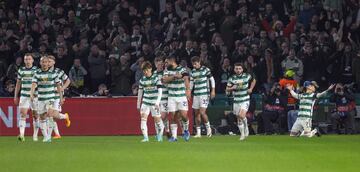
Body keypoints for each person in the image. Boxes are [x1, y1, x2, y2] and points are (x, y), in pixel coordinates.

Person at [30, 56, 71, 143]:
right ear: (41, 63)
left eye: (48, 62)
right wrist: (31, 94)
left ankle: (50, 135)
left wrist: (61, 95)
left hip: (52, 97)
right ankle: (63, 118)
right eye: (44, 62)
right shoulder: (37, 73)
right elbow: (33, 84)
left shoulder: (57, 72)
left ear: (52, 63)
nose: (46, 63)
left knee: (50, 115)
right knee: (44, 117)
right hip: (41, 98)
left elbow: (64, 83)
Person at [163, 56, 191, 142]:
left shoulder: (182, 69)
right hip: (171, 96)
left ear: (172, 61)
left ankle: (186, 130)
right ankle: (174, 137)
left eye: (167, 62)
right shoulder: (167, 70)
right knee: (172, 117)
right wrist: (175, 76)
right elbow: (164, 80)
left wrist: (188, 90)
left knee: (184, 116)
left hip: (181, 96)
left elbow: (186, 78)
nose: (166, 64)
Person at [226, 63, 256, 141]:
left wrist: (251, 89)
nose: (238, 70)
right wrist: (232, 88)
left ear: (242, 69)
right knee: (239, 118)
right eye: (236, 68)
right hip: (236, 101)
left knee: (241, 115)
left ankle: (245, 128)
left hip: (245, 99)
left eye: (239, 68)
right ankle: (242, 133)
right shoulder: (231, 78)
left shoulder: (247, 76)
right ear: (234, 69)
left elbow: (254, 80)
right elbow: (227, 89)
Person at [136, 61, 164, 142]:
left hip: (154, 102)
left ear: (150, 69)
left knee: (157, 120)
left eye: (146, 70)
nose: (145, 72)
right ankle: (145, 137)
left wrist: (157, 102)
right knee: (143, 118)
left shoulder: (156, 78)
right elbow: (140, 92)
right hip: (145, 102)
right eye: (144, 70)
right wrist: (138, 104)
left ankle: (160, 133)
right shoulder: (142, 80)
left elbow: (160, 91)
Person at [14, 53, 39, 142]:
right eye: (26, 59)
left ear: (32, 60)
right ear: (24, 61)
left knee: (35, 115)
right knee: (22, 114)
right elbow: (18, 83)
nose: (27, 61)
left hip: (35, 96)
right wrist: (15, 95)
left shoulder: (37, 70)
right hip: (24, 95)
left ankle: (35, 135)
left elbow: (38, 83)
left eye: (29, 59)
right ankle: (21, 135)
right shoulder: (21, 70)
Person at [190, 56, 215, 138]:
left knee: (202, 112)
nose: (194, 65)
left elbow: (212, 80)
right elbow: (191, 83)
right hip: (196, 95)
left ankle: (209, 129)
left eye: (195, 63)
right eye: (193, 64)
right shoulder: (193, 71)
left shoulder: (206, 69)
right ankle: (198, 133)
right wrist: (189, 92)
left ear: (199, 62)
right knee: (196, 114)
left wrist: (213, 90)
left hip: (204, 94)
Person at [47, 55, 71, 139]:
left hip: (57, 96)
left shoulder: (59, 72)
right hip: (48, 96)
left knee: (55, 115)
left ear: (54, 62)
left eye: (50, 61)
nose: (48, 63)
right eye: (47, 61)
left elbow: (68, 80)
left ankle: (65, 116)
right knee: (50, 115)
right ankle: (57, 134)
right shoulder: (44, 72)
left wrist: (62, 88)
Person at [153, 57, 171, 138]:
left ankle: (167, 130)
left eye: (161, 64)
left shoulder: (166, 72)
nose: (160, 66)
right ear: (155, 64)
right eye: (158, 64)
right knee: (156, 117)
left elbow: (168, 84)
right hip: (156, 99)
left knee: (163, 117)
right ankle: (158, 134)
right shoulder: (153, 73)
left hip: (165, 98)